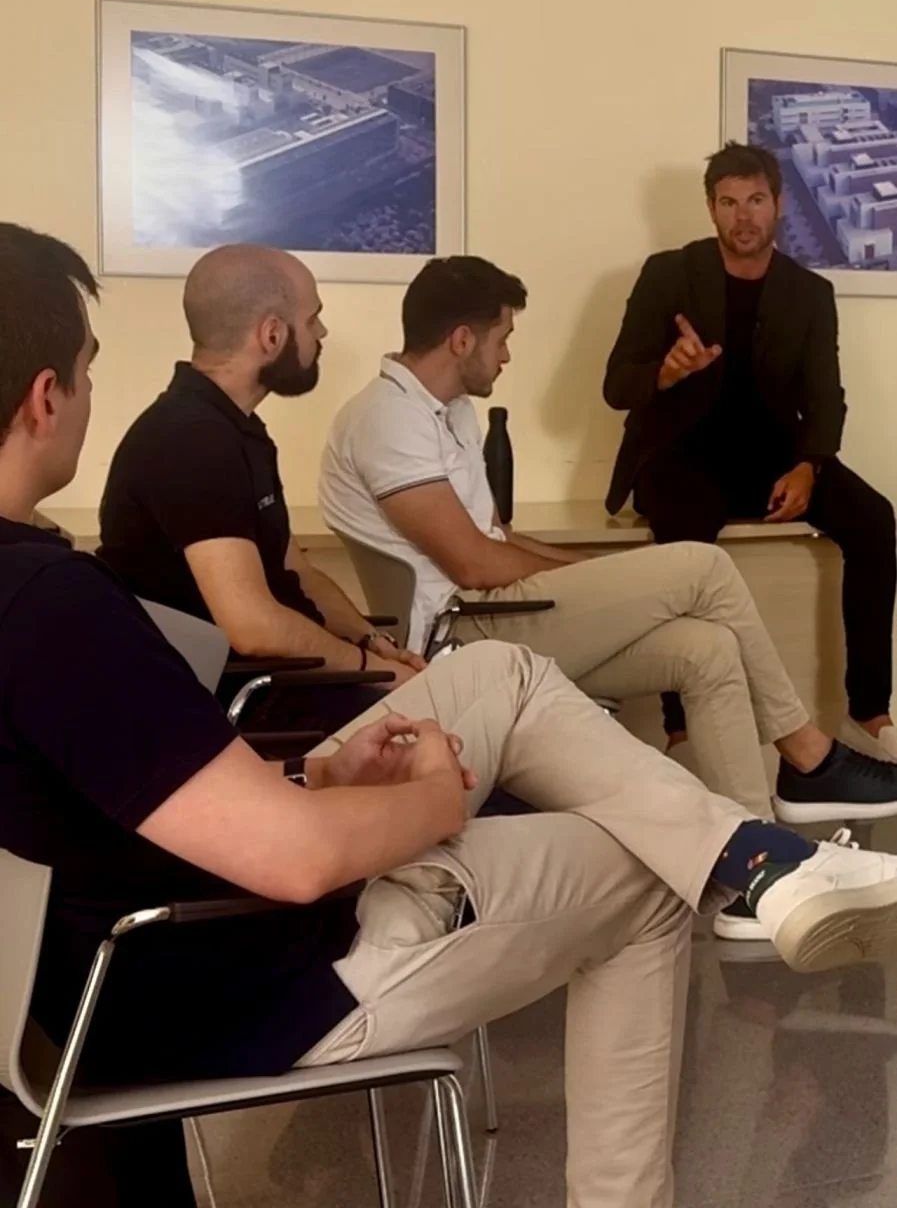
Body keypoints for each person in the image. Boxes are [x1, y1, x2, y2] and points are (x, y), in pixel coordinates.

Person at [7, 226, 897, 1208]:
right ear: (47, 397)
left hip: (148, 940)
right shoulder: (52, 601)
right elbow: (295, 853)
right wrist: (432, 800)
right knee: (652, 871)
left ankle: (760, 857)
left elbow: (130, 780)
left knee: (505, 674)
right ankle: (750, 855)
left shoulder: (48, 584)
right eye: (88, 367)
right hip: (229, 979)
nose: (94, 390)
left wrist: (323, 777)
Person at [319, 253, 897, 936]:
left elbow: (497, 533)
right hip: (466, 636)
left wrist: (594, 575)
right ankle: (805, 756)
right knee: (701, 568)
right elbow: (473, 565)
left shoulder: (445, 412)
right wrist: (605, 581)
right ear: (462, 340)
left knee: (703, 648)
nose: (506, 356)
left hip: (502, 611)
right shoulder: (388, 419)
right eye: (502, 338)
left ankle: (756, 877)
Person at [603, 141, 897, 763]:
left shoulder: (809, 292)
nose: (744, 216)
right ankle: (680, 729)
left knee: (877, 521)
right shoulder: (668, 273)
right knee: (682, 544)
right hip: (681, 452)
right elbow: (615, 386)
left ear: (779, 205)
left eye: (756, 200)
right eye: (729, 202)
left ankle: (869, 714)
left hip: (775, 458)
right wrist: (666, 372)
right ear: (711, 209)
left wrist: (809, 465)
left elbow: (826, 396)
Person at [98, 245, 425, 693]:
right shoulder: (192, 441)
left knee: (503, 681)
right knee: (510, 687)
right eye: (312, 320)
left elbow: (299, 574)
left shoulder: (235, 429)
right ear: (272, 335)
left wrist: (371, 641)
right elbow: (252, 627)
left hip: (300, 684)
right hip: (262, 705)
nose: (322, 331)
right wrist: (373, 670)